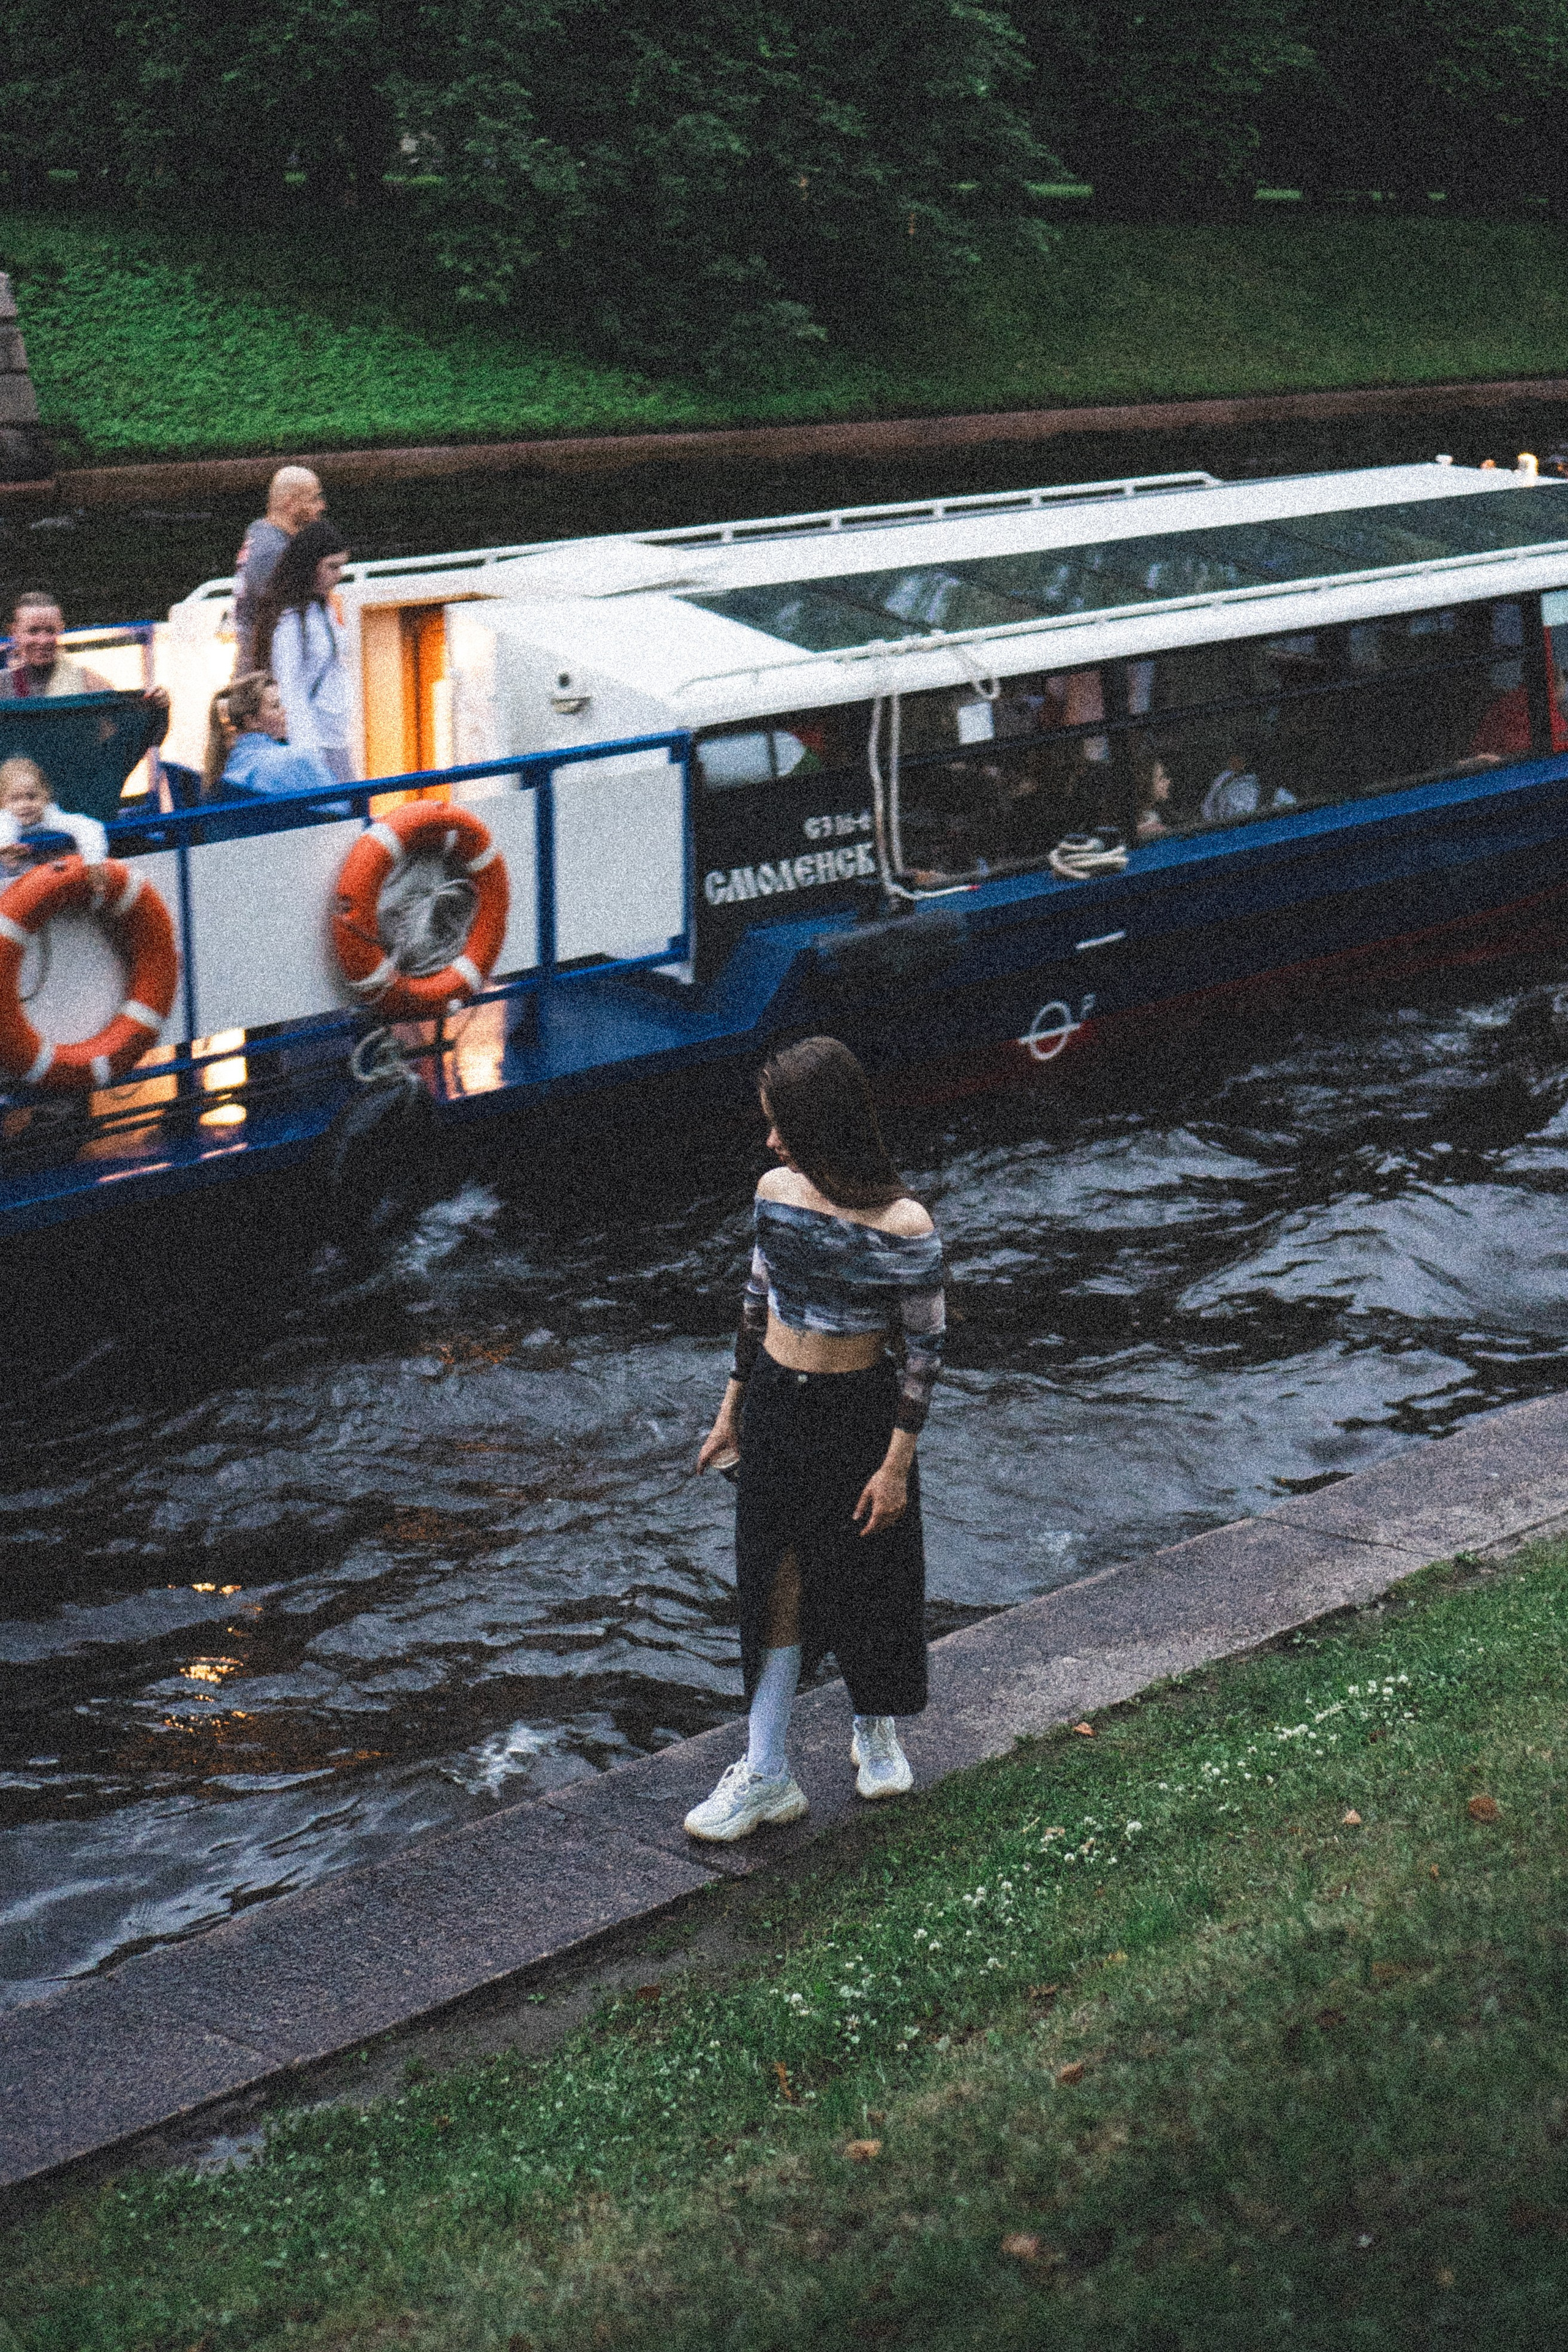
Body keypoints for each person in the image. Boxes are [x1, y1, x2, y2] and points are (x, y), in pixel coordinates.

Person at [687, 1036, 946, 1842]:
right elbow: (755, 1300)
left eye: (781, 1125)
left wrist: (895, 1466)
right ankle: (767, 1773)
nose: (770, 1142)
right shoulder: (775, 1192)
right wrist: (730, 1410)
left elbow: (925, 1357)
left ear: (822, 1124)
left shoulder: (906, 1224)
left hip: (856, 1412)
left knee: (869, 1575)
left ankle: (875, 1729)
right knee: (774, 1587)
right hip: (774, 1402)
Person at [252, 519, 356, 784]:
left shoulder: (322, 607)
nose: (339, 574)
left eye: (341, 566)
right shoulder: (290, 620)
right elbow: (291, 690)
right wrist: (309, 757)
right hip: (316, 743)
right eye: (332, 567)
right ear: (310, 566)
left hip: (337, 734)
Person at [1, 592, 170, 737]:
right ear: (15, 633)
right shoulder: (3, 685)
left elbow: (132, 738)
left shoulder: (89, 683)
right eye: (33, 631)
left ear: (61, 629)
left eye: (50, 631)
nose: (43, 640)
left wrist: (157, 708)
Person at [232, 466, 326, 672]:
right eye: (313, 499)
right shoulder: (272, 552)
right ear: (291, 504)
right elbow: (277, 621)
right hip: (268, 677)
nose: (321, 506)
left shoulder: (261, 534)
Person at [203, 671, 336, 799]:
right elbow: (339, 810)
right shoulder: (301, 759)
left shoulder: (222, 775)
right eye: (275, 706)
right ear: (252, 721)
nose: (285, 711)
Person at [0, 753, 107, 870]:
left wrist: (94, 862)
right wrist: (6, 847)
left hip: (56, 877)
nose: (25, 805)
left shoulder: (51, 816)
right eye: (15, 800)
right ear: (2, 803)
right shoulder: (6, 820)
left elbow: (88, 827)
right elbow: (4, 827)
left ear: (46, 796)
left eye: (32, 797)